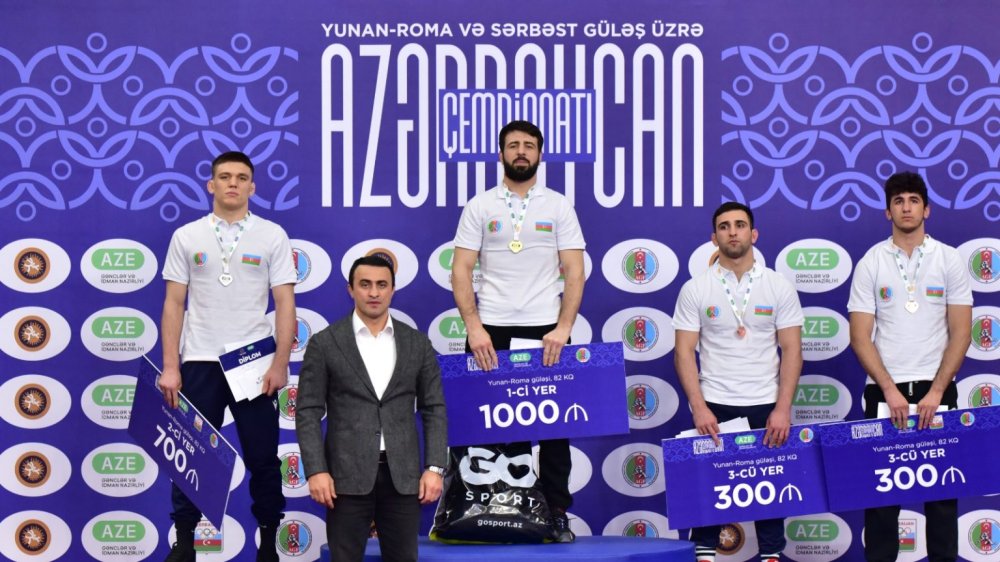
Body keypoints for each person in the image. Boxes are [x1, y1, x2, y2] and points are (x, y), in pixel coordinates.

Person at [451, 120, 586, 543]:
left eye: (529, 145)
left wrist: (563, 327)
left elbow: (575, 270)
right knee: (488, 425)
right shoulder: (480, 205)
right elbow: (461, 268)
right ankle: (492, 510)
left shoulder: (558, 205)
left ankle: (556, 512)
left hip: (547, 330)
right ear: (501, 154)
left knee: (554, 429)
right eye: (513, 145)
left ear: (540, 154)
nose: (521, 151)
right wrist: (474, 327)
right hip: (490, 329)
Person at [159, 151, 296, 562]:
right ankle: (185, 543)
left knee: (263, 458)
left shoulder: (272, 235)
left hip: (253, 364)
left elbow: (285, 304)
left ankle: (269, 545)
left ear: (252, 186)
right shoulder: (187, 235)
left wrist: (280, 363)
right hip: (199, 360)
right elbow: (173, 304)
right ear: (211, 185)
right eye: (224, 176)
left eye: (240, 177)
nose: (232, 183)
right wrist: (170, 365)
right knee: (191, 453)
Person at [848, 171, 972, 562]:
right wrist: (889, 389)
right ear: (888, 211)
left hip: (938, 393)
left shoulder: (949, 259)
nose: (906, 208)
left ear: (926, 209)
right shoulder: (871, 262)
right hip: (884, 395)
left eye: (913, 200)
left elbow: (962, 333)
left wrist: (936, 391)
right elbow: (860, 336)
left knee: (942, 501)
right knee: (882, 503)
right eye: (898, 201)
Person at [673, 202, 803, 562]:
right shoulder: (696, 288)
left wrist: (782, 408)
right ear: (714, 237)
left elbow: (792, 349)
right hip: (714, 406)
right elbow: (683, 352)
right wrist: (699, 407)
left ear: (753, 234)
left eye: (740, 225)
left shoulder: (777, 286)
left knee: (770, 506)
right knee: (707, 505)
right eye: (725, 226)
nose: (733, 232)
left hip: (766, 405)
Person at [296, 256, 448, 562]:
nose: (374, 292)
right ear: (351, 289)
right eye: (365, 284)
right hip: (344, 478)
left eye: (382, 285)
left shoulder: (417, 343)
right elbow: (308, 410)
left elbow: (434, 408)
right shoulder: (325, 343)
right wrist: (316, 470)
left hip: (402, 478)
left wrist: (434, 468)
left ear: (393, 290)